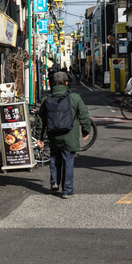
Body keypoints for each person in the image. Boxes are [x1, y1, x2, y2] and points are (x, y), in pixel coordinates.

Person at [34, 71, 92, 199]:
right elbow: (84, 115)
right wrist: (85, 131)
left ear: (53, 84)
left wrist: (39, 137)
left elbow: (41, 120)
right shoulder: (75, 97)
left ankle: (55, 182)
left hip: (53, 134)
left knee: (54, 158)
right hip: (69, 134)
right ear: (66, 82)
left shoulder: (46, 99)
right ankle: (67, 190)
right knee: (68, 161)